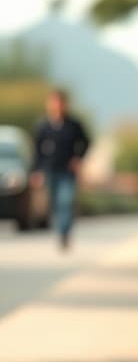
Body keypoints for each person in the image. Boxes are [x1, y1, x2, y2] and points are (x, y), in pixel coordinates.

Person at [29, 87, 91, 249]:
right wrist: (36, 171)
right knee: (54, 202)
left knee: (66, 200)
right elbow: (36, 150)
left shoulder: (74, 125)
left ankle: (64, 231)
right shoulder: (43, 126)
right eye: (53, 102)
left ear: (65, 104)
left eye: (59, 102)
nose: (56, 106)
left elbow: (86, 142)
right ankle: (60, 228)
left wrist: (78, 158)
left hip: (67, 171)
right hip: (49, 170)